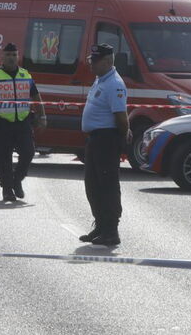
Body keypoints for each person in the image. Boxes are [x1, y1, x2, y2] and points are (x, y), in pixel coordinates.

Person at [0, 43, 46, 203]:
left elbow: (36, 97)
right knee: (4, 158)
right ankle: (7, 190)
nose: (11, 58)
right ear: (2, 57)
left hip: (22, 121)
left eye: (14, 55)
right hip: (1, 123)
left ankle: (17, 180)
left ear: (18, 56)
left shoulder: (25, 74)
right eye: (8, 55)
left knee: (28, 152)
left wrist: (43, 117)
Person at [78, 43, 131, 246]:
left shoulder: (114, 84)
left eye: (96, 61)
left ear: (108, 62)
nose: (91, 64)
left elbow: (121, 118)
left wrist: (122, 139)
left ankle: (111, 230)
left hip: (106, 140)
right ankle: (100, 226)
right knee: (92, 186)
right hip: (95, 139)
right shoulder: (101, 79)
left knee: (107, 186)